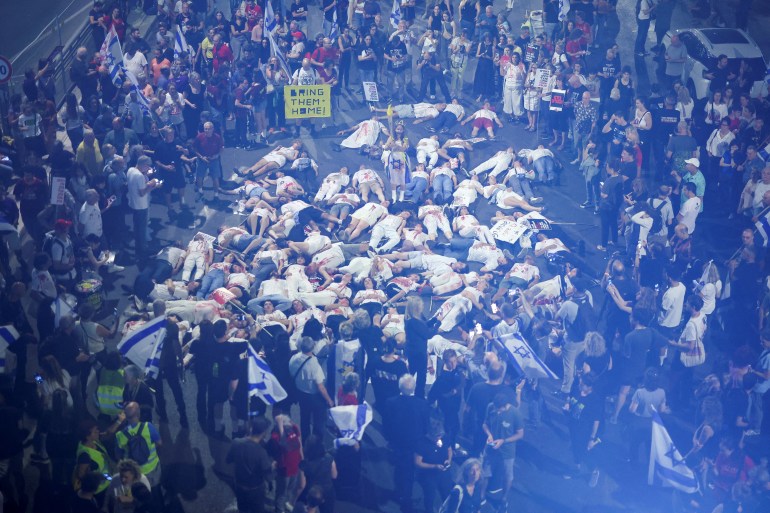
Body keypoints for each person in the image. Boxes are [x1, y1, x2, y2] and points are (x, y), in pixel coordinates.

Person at [383, 374, 430, 513]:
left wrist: (389, 439)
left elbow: (386, 424)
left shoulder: (390, 402)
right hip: (415, 444)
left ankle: (401, 494)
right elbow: (426, 426)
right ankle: (406, 499)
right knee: (409, 472)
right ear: (414, 387)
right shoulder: (422, 404)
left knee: (399, 468)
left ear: (400, 387)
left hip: (397, 443)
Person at [226, 416, 274, 513]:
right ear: (264, 432)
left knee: (243, 510)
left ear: (251, 428)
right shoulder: (261, 452)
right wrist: (272, 466)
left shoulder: (236, 442)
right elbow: (268, 475)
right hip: (255, 490)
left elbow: (228, 460)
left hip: (239, 486)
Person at [289, 336, 334, 439]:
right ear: (312, 347)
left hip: (300, 393)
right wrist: (329, 400)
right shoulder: (314, 363)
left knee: (304, 418)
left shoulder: (294, 358)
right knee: (318, 421)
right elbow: (320, 386)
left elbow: (291, 373)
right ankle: (316, 443)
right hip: (313, 397)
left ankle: (305, 440)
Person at [115, 402, 162, 488]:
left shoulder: (120, 435)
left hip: (136, 471)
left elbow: (118, 455)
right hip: (152, 466)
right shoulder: (148, 427)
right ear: (138, 414)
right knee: (155, 487)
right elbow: (159, 443)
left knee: (140, 490)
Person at [126, 155, 159, 262]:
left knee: (137, 229)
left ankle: (139, 250)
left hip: (133, 204)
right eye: (148, 166)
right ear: (143, 165)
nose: (149, 168)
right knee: (141, 230)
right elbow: (142, 192)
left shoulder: (130, 170)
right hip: (141, 206)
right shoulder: (140, 176)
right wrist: (153, 185)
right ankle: (142, 252)